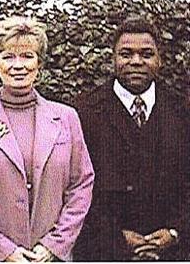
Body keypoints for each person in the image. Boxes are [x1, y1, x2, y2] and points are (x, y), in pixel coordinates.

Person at [0, 16, 94, 262]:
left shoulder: (66, 118)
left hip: (50, 258)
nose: (18, 65)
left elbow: (81, 185)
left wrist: (53, 246)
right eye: (8, 56)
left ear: (39, 63)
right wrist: (4, 252)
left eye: (27, 56)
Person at [74, 17, 190, 261]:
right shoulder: (83, 112)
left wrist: (175, 231)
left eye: (146, 54)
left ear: (160, 59)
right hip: (102, 252)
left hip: (175, 253)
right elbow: (74, 188)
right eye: (126, 54)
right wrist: (115, 236)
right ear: (114, 59)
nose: (136, 61)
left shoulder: (182, 111)